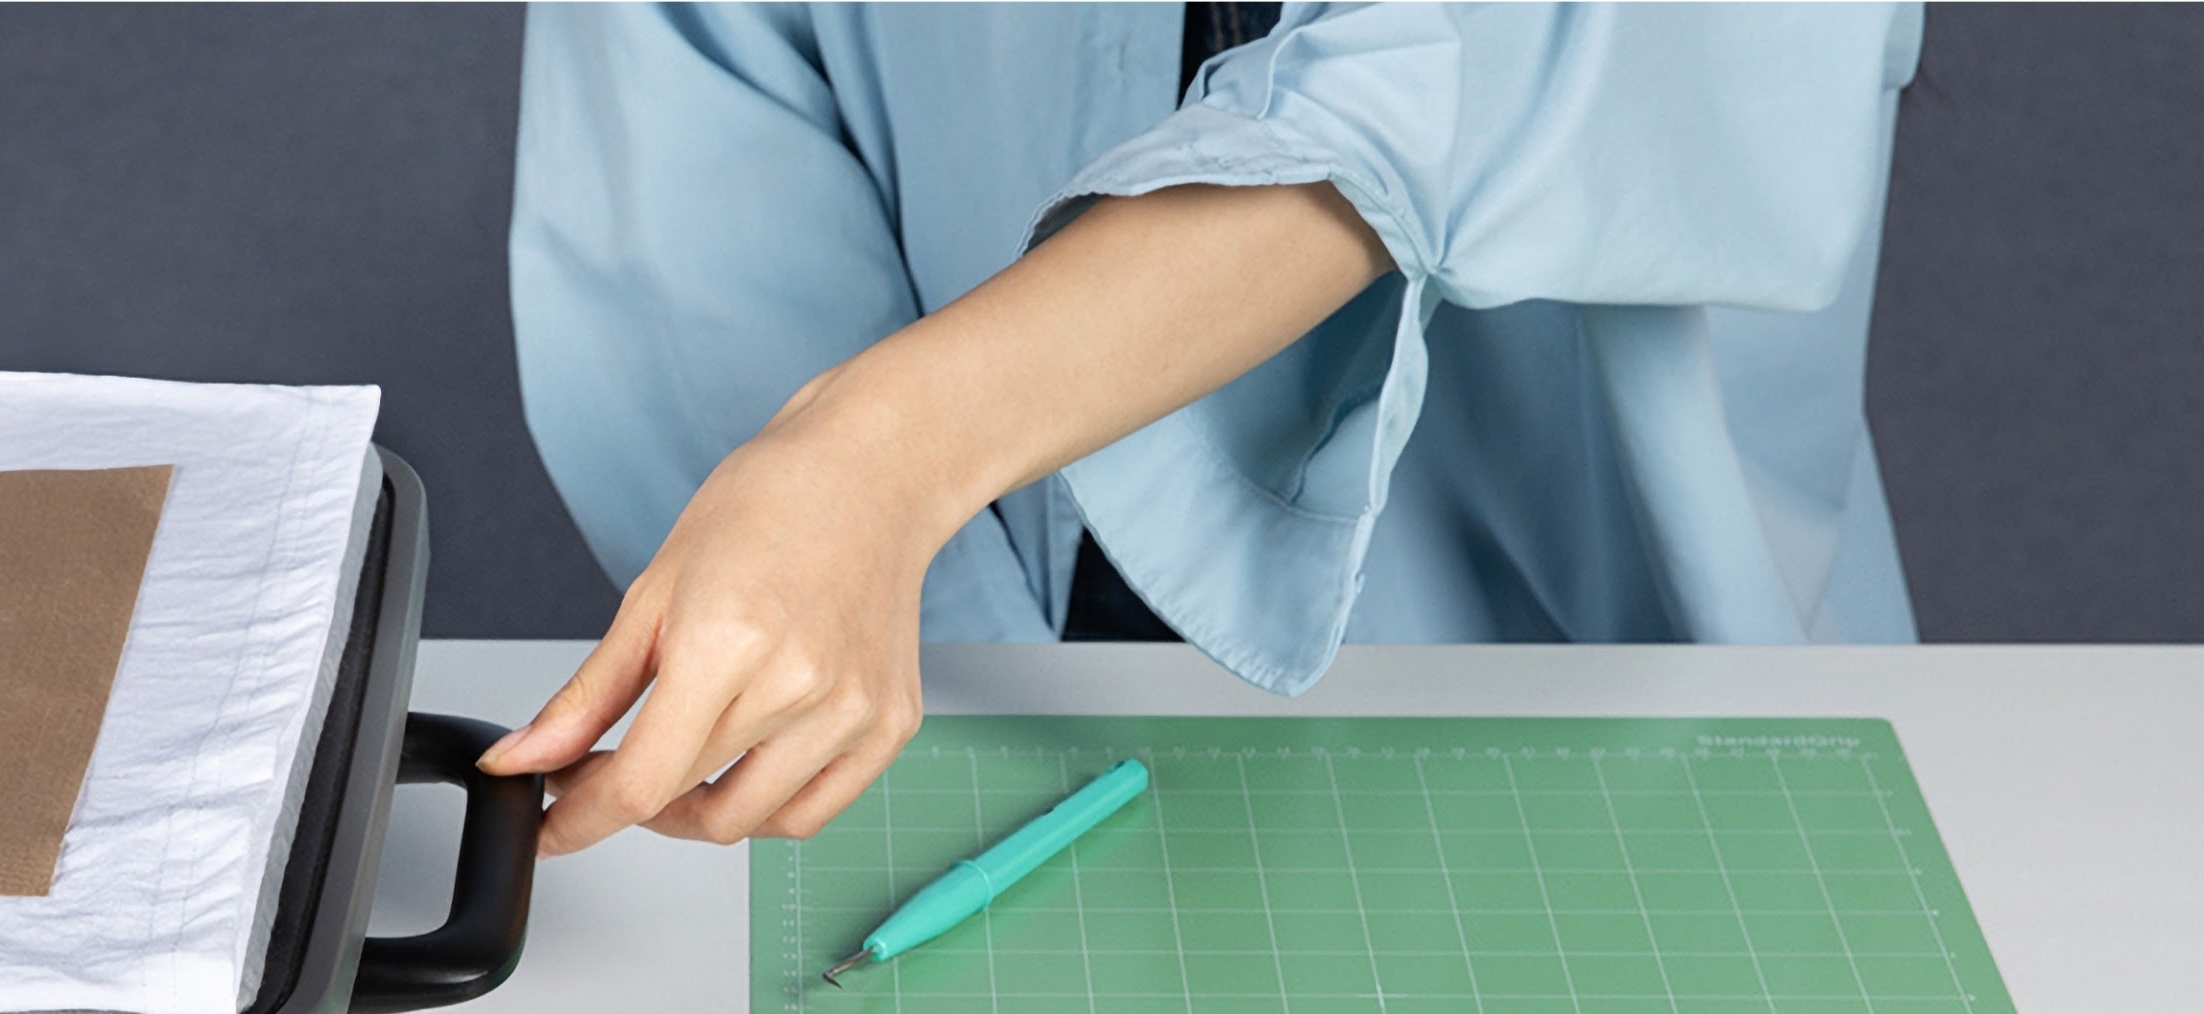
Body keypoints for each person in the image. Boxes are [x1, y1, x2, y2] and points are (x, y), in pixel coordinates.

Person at [481, 2, 1926, 858]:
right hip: (973, 672)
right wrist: (928, 657)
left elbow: (1465, 80)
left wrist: (880, 456)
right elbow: (689, 111)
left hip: (1592, 714)